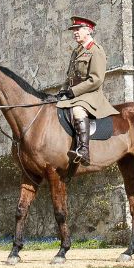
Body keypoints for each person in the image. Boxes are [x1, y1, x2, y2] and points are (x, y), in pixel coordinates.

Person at [54, 16, 118, 165]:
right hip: (74, 93)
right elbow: (69, 76)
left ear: (88, 31)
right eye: (74, 30)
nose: (75, 32)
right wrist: (62, 91)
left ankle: (83, 151)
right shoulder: (76, 52)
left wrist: (74, 92)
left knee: (77, 110)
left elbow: (96, 79)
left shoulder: (96, 50)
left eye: (78, 29)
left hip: (90, 95)